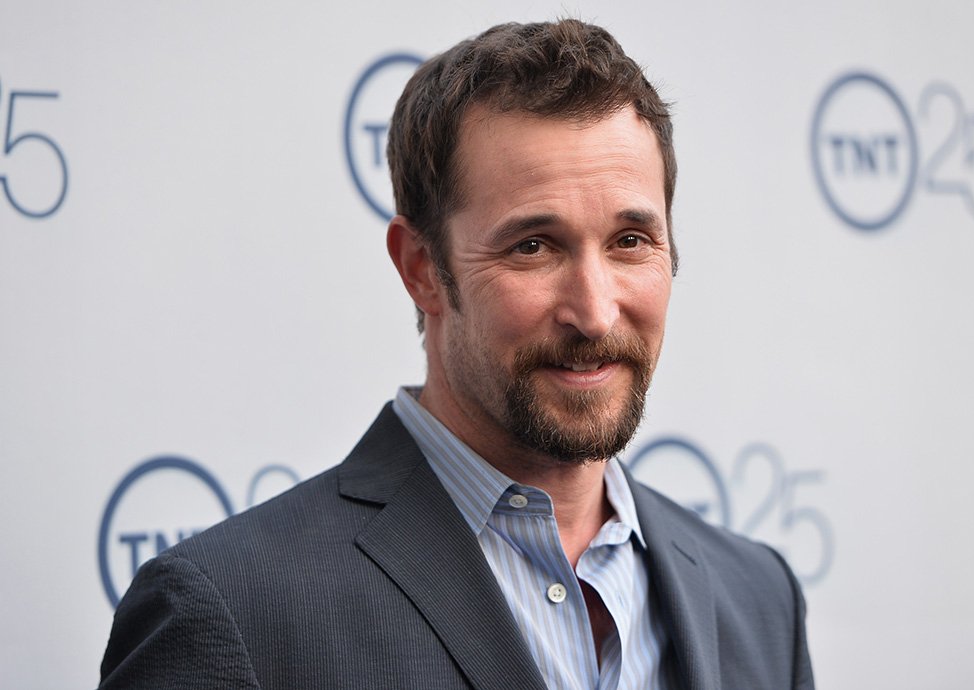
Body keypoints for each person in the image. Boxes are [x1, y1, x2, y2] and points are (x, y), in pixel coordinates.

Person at [99, 18, 814, 690]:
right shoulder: (233, 613)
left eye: (630, 241)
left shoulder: (757, 600)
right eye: (533, 246)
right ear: (420, 267)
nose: (595, 311)